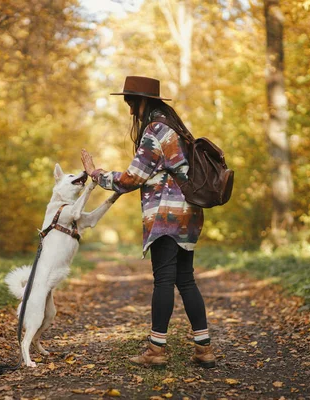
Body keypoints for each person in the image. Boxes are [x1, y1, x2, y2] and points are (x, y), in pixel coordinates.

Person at [80, 76, 216, 368]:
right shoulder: (177, 129)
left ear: (144, 102)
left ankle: (156, 350)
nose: (131, 110)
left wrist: (96, 174)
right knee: (186, 279)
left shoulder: (155, 130)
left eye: (131, 103)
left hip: (167, 216)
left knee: (164, 280)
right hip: (189, 214)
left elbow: (131, 179)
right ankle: (204, 350)